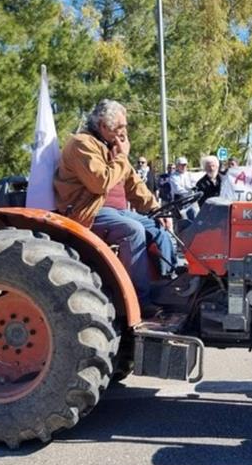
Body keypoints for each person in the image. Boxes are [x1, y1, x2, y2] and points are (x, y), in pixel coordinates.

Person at [54, 99, 174, 316]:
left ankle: (169, 286)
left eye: (125, 126)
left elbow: (133, 183)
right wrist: (121, 157)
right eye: (120, 127)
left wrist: (157, 209)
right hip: (90, 212)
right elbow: (100, 182)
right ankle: (139, 300)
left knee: (159, 228)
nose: (124, 131)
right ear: (103, 126)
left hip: (117, 212)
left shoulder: (113, 147)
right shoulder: (82, 144)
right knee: (132, 231)